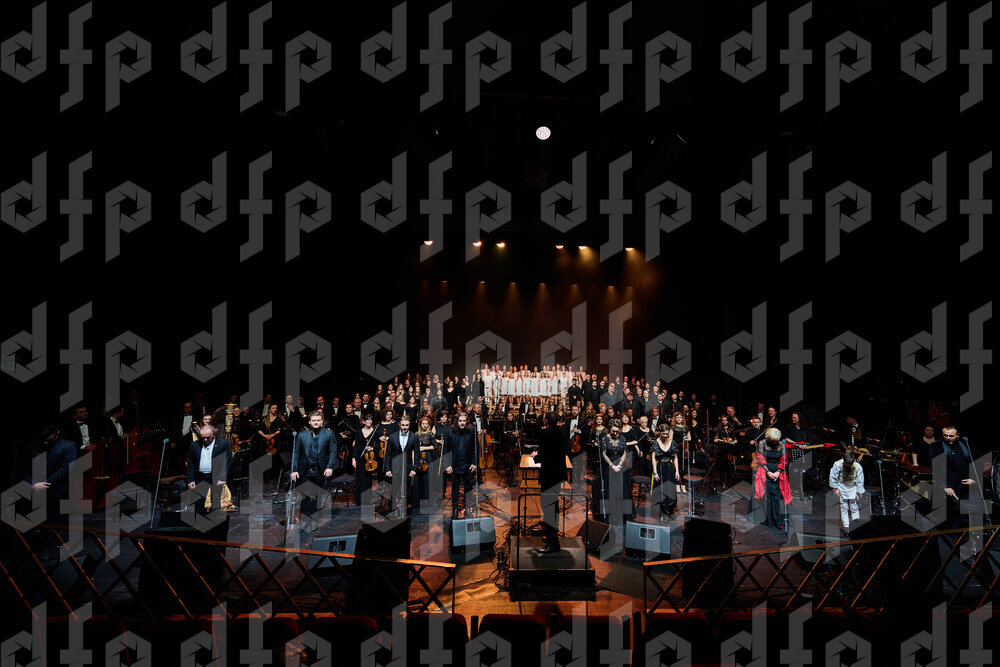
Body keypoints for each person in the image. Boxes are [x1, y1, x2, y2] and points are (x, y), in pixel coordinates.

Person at [289, 412, 337, 532]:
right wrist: (294, 470)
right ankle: (305, 521)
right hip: (304, 470)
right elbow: (296, 453)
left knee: (316, 496)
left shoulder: (329, 434)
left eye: (318, 420)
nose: (316, 422)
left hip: (320, 470)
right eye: (314, 420)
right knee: (304, 496)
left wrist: (330, 467)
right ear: (309, 422)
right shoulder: (301, 435)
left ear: (322, 422)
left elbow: (333, 450)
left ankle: (313, 520)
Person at [532, 411, 568, 554]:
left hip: (549, 474)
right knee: (553, 506)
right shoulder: (562, 433)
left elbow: (542, 456)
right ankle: (550, 537)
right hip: (558, 474)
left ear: (546, 421)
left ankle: (553, 543)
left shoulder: (545, 434)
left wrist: (535, 456)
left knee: (548, 507)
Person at [928, 425, 977, 529]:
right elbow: (935, 468)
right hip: (948, 485)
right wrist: (945, 485)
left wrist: (973, 478)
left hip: (966, 485)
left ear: (957, 435)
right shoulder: (936, 446)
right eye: (945, 435)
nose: (948, 438)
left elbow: (976, 462)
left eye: (951, 436)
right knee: (952, 514)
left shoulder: (965, 444)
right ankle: (953, 535)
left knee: (966, 513)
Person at [186, 425, 232, 512]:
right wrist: (190, 479)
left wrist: (222, 478)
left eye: (207, 437)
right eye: (202, 437)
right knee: (199, 502)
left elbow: (226, 462)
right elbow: (190, 462)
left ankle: (215, 519)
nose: (205, 440)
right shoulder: (194, 445)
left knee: (216, 502)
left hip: (216, 477)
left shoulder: (223, 444)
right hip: (200, 477)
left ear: (213, 434)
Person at [753, 428, 792, 530]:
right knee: (767, 498)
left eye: (776, 440)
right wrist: (768, 472)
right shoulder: (762, 443)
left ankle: (777, 520)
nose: (775, 442)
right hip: (765, 472)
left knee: (777, 498)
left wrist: (778, 472)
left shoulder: (782, 444)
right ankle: (769, 521)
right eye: (773, 441)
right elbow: (760, 459)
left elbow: (784, 460)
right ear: (768, 438)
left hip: (778, 473)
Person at [442, 413, 477, 520]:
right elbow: (445, 449)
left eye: (464, 421)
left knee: (468, 487)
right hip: (454, 464)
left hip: (468, 464)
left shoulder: (471, 431)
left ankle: (468, 509)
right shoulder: (449, 432)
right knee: (455, 487)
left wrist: (474, 463)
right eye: (460, 421)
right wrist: (447, 465)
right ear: (456, 421)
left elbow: (475, 448)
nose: (462, 423)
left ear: (467, 421)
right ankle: (455, 510)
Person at [599, 419, 632, 527]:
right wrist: (612, 466)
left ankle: (620, 515)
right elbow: (604, 454)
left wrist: (620, 465)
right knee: (610, 491)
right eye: (613, 431)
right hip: (609, 467)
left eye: (617, 431)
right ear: (610, 429)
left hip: (620, 466)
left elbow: (624, 453)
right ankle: (610, 515)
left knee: (621, 491)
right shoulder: (605, 438)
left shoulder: (622, 438)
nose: (615, 433)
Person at [385, 415, 417, 517]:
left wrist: (414, 469)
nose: (405, 427)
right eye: (403, 425)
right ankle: (392, 509)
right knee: (394, 490)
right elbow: (388, 454)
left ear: (409, 425)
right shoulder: (392, 436)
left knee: (407, 490)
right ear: (399, 425)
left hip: (407, 468)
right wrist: (388, 469)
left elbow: (417, 454)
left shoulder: (414, 437)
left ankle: (405, 510)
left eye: (407, 425)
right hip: (395, 468)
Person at [829, 449, 865, 536]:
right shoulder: (838, 464)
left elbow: (860, 481)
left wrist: (858, 493)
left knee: (854, 506)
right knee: (844, 507)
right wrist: (835, 488)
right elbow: (833, 476)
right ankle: (847, 527)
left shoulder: (857, 467)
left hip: (853, 487)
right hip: (842, 487)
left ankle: (855, 525)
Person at [651, 423, 680, 522]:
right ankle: (662, 513)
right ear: (660, 433)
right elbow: (653, 458)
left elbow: (675, 458)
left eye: (667, 434)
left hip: (669, 468)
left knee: (669, 489)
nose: (665, 436)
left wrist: (677, 471)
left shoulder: (672, 442)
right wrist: (655, 472)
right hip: (660, 467)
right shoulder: (656, 443)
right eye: (663, 434)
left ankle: (669, 511)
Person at [351, 414, 378, 505]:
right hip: (360, 457)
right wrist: (354, 458)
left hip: (369, 458)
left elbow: (378, 444)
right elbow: (356, 446)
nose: (369, 421)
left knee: (368, 479)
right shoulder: (359, 432)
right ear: (363, 421)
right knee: (359, 478)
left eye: (371, 420)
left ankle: (367, 499)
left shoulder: (375, 431)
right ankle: (359, 499)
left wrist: (372, 448)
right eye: (367, 419)